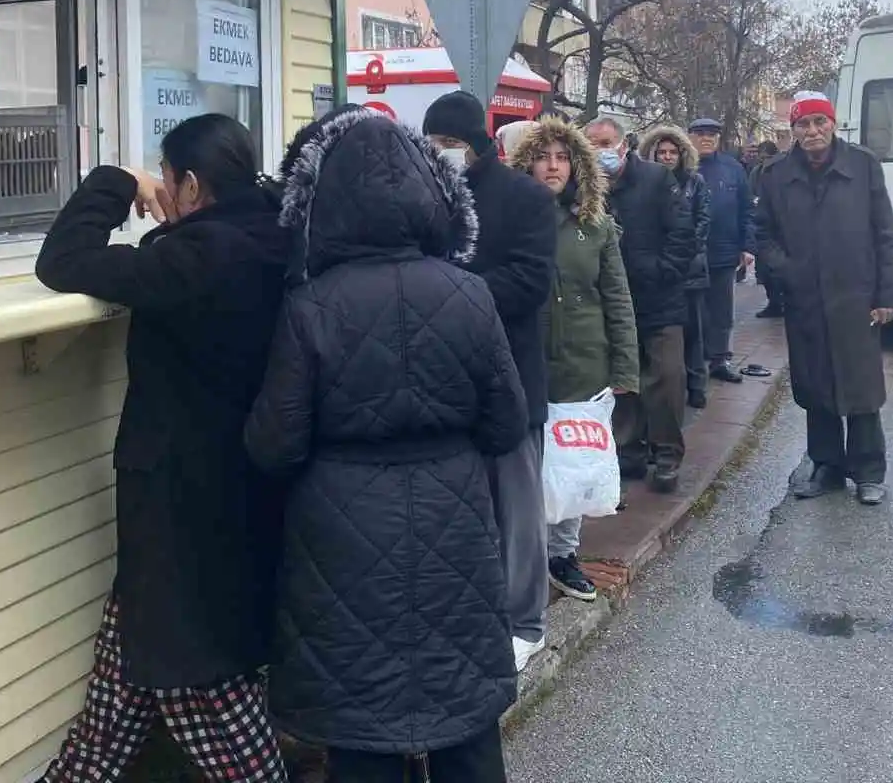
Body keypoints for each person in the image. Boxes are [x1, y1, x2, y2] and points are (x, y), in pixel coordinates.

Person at [245, 108, 527, 783]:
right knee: (464, 717)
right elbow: (506, 422)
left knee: (360, 719)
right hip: (452, 518)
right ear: (432, 196)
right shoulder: (469, 294)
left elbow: (275, 444)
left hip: (341, 532)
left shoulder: (310, 304)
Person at [34, 114, 291, 783]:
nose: (160, 188)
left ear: (193, 184)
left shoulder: (195, 258)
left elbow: (61, 260)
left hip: (180, 500)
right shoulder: (272, 235)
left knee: (193, 664)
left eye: (166, 178)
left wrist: (117, 181)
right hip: (242, 484)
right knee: (131, 657)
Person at [422, 90, 556, 672]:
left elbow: (528, 282)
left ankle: (526, 620)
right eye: (432, 145)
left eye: (448, 145)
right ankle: (475, 612)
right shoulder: (427, 195)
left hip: (511, 375)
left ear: (475, 143)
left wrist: (450, 295)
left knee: (518, 508)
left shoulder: (525, 197)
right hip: (445, 380)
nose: (440, 154)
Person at [509, 117, 640, 603]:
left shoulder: (595, 225)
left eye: (563, 157)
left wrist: (625, 366)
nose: (553, 166)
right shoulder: (512, 220)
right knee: (530, 468)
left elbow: (618, 299)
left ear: (578, 165)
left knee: (575, 466)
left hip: (585, 364)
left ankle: (563, 555)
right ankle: (525, 557)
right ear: (527, 162)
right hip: (527, 364)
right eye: (543, 156)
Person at [755, 92, 893, 506]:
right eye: (804, 124)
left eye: (820, 122)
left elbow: (884, 232)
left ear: (833, 124)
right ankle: (827, 466)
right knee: (815, 385)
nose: (813, 131)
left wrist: (888, 292)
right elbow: (763, 233)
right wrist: (786, 269)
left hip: (856, 295)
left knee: (861, 387)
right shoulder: (776, 174)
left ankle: (869, 471)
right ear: (794, 130)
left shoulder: (862, 165)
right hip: (805, 298)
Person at [584, 116, 695, 493]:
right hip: (612, 302)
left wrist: (663, 271)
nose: (601, 152)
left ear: (624, 145)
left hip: (659, 299)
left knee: (666, 378)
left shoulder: (655, 179)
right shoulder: (586, 187)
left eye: (606, 143)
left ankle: (666, 455)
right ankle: (628, 450)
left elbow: (683, 233)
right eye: (592, 144)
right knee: (622, 382)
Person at [640, 127, 713, 408]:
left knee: (694, 331)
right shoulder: (645, 183)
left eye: (672, 152)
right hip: (659, 269)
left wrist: (682, 255)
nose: (668, 157)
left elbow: (703, 221)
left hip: (690, 268)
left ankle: (696, 384)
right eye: (662, 152)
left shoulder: (695, 182)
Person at [687, 117, 755, 384]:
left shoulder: (732, 168)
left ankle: (720, 359)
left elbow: (747, 209)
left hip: (724, 251)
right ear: (690, 136)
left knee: (722, 309)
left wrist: (748, 246)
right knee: (693, 309)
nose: (706, 139)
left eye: (712, 135)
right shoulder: (681, 165)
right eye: (701, 134)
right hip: (689, 254)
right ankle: (693, 360)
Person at [751, 141, 786, 318]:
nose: (764, 161)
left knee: (778, 272)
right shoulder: (756, 172)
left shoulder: (781, 171)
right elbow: (750, 193)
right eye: (762, 157)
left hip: (778, 229)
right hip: (760, 225)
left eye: (768, 157)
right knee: (764, 272)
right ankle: (773, 303)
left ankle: (782, 302)